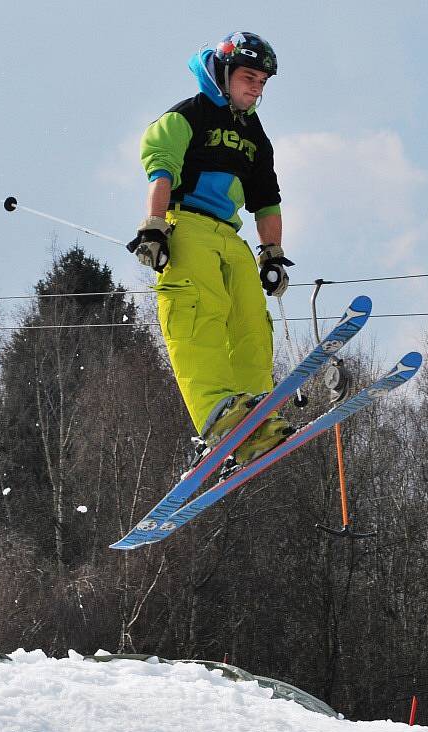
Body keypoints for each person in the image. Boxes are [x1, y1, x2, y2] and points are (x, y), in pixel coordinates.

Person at [129, 31, 294, 465]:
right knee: (198, 311)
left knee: (250, 322)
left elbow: (267, 200)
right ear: (224, 73)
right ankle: (218, 413)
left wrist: (272, 253)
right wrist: (155, 226)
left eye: (262, 82)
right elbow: (160, 167)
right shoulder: (190, 114)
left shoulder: (255, 136)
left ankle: (254, 413)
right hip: (188, 225)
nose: (255, 88)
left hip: (230, 236)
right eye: (248, 77)